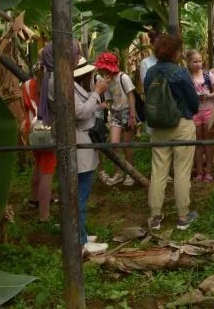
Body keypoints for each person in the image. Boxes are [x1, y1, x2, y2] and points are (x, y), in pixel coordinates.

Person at [44, 42, 110, 255]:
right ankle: (80, 242)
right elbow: (80, 112)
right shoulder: (60, 80)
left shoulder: (60, 78)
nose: (78, 57)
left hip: (81, 139)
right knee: (78, 194)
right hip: (77, 141)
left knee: (78, 192)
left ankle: (79, 232)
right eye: (75, 53)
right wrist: (97, 93)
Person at [144, 34, 200, 231]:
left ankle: (155, 217)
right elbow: (193, 101)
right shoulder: (180, 72)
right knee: (182, 172)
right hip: (181, 124)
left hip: (158, 127)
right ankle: (183, 216)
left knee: (158, 172)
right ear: (175, 52)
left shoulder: (150, 73)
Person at [95, 52, 138, 187]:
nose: (101, 70)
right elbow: (108, 99)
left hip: (127, 112)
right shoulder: (106, 81)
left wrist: (132, 115)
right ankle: (118, 173)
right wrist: (104, 107)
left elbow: (131, 96)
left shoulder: (123, 78)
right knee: (114, 144)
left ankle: (130, 173)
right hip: (116, 114)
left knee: (126, 145)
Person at [22, 56, 57, 223]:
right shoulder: (51, 87)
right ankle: (44, 215)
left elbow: (26, 109)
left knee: (39, 164)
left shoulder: (27, 86)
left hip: (33, 131)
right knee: (47, 171)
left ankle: (34, 199)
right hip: (47, 132)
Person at [186, 50, 214, 182]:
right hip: (194, 112)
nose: (198, 64)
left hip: (208, 110)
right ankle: (199, 172)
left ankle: (209, 172)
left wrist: (209, 95)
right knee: (198, 143)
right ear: (188, 63)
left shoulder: (208, 75)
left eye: (200, 61)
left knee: (208, 143)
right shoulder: (186, 76)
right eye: (195, 62)